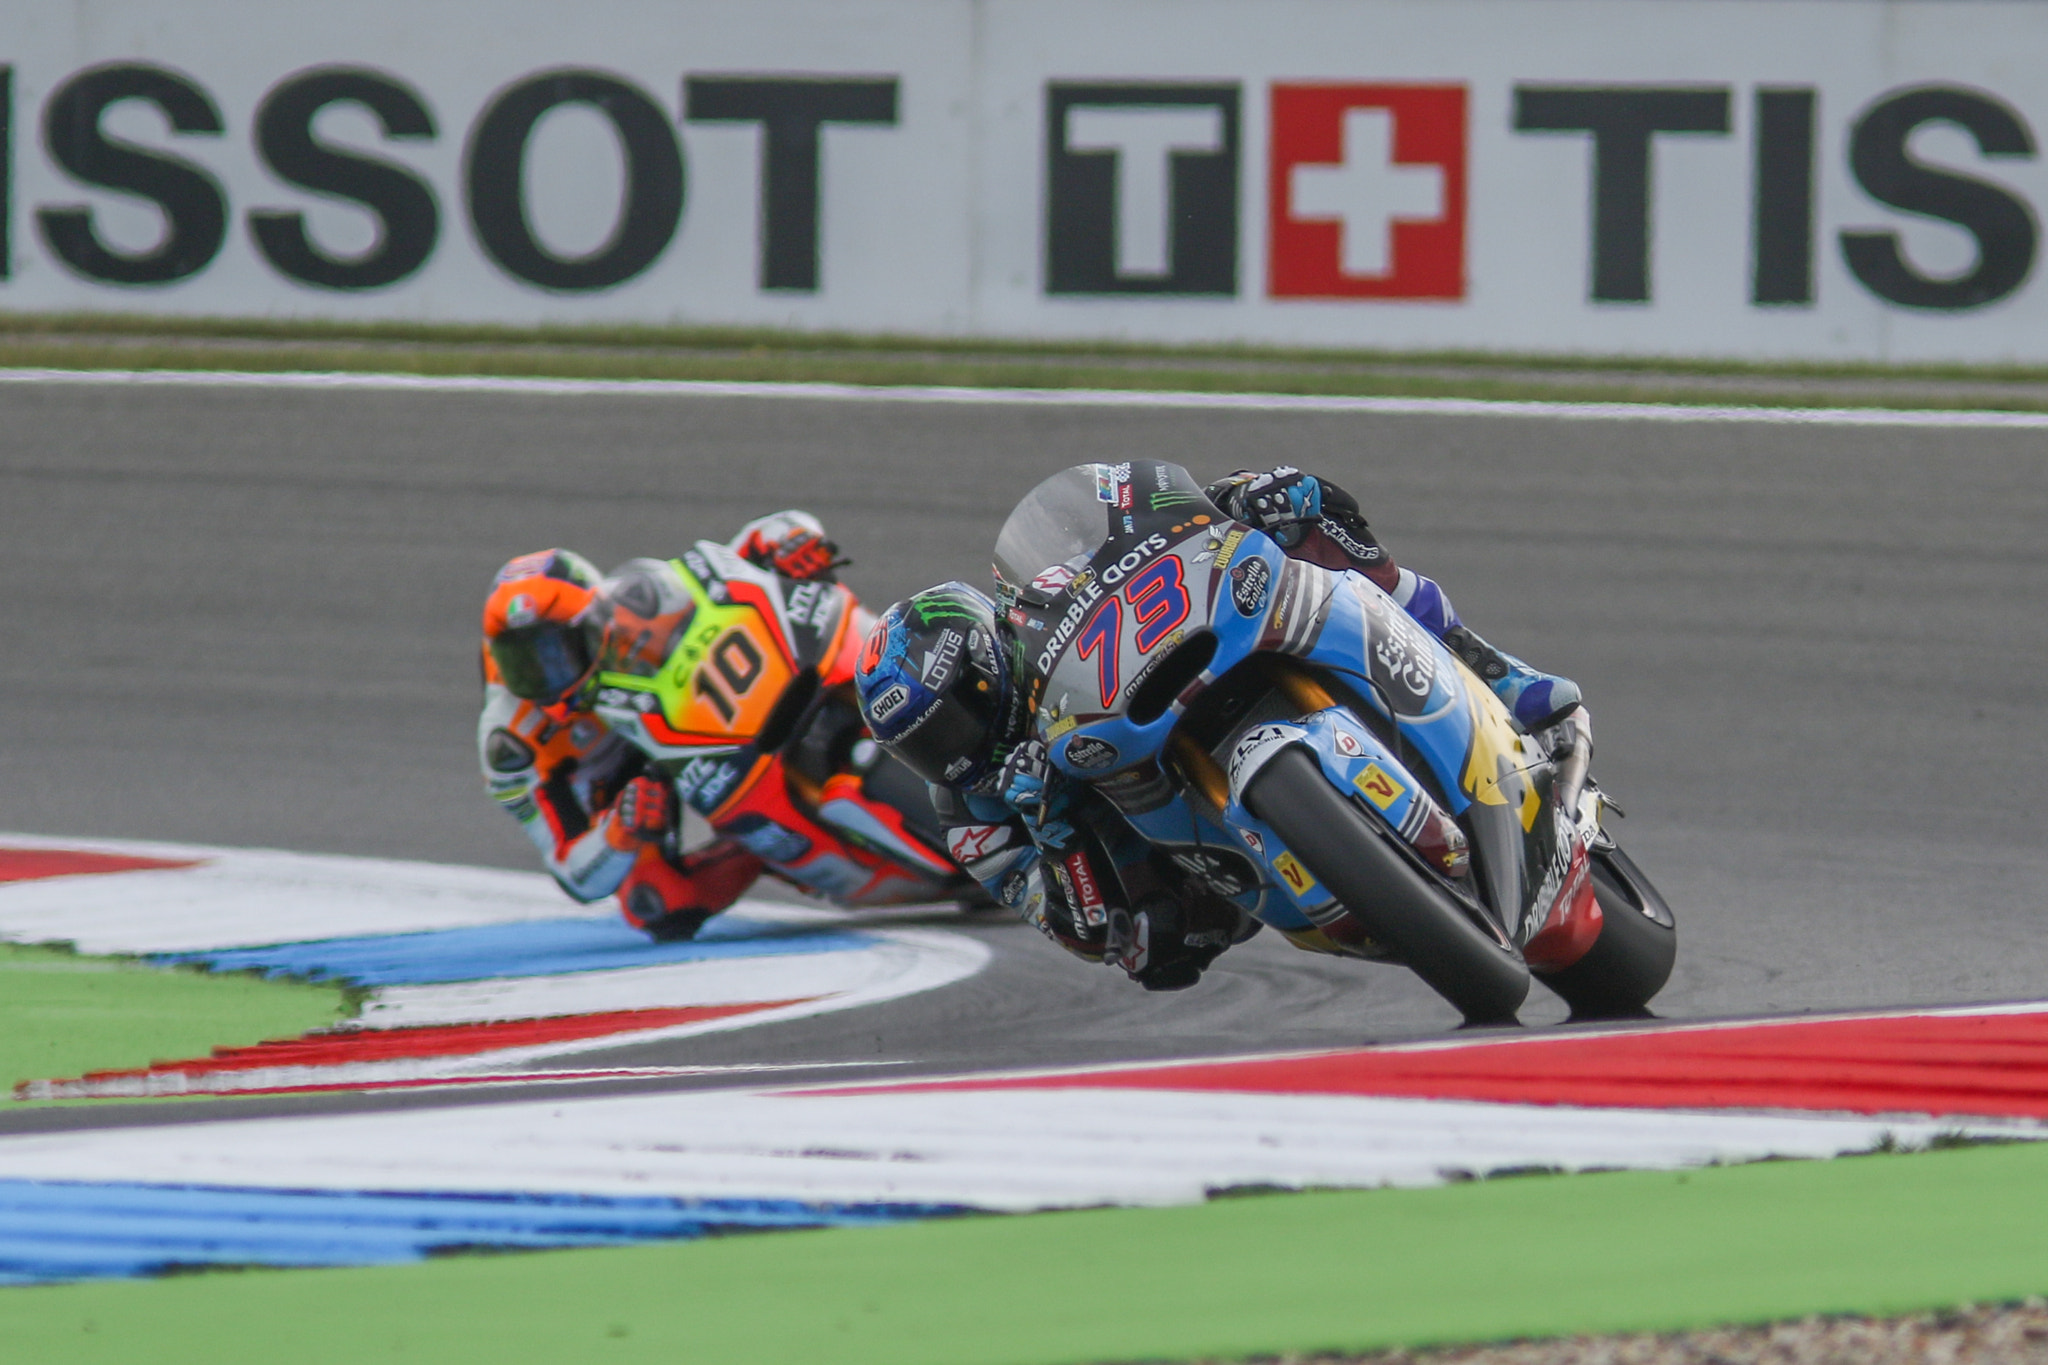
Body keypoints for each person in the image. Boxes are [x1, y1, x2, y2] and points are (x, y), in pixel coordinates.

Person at [852, 466, 1584, 989]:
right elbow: (1073, 928)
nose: (953, 751)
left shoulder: (1036, 621)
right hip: (1178, 872)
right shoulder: (971, 812)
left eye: (954, 722)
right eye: (925, 746)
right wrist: (1050, 827)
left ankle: (1496, 669)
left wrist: (1230, 498)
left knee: (1306, 509)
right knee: (1154, 950)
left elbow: (1137, 510)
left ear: (989, 662)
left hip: (1153, 695)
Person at [476, 513, 843, 940]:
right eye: (522, 664)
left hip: (688, 709)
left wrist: (794, 545)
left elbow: (752, 542)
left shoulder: (634, 605)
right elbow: (573, 872)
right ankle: (773, 852)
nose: (544, 677)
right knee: (657, 902)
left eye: (557, 653)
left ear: (597, 623)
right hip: (631, 782)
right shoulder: (509, 741)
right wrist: (618, 833)